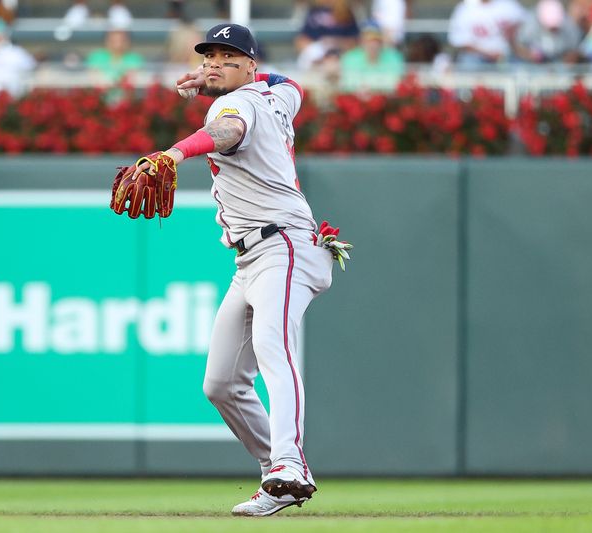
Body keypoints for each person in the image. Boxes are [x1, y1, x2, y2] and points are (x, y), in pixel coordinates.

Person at [128, 23, 350, 517]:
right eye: (209, 55)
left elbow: (226, 131)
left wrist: (174, 152)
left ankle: (288, 464)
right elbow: (288, 83)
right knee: (221, 383)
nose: (213, 62)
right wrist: (215, 78)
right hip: (253, 258)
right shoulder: (278, 94)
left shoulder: (239, 104)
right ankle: (282, 476)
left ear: (249, 65)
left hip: (284, 245)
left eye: (227, 56)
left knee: (274, 345)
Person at [448, 0, 527, 69]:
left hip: (508, 55)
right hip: (477, 57)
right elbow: (461, 43)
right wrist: (489, 55)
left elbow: (527, 26)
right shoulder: (465, 9)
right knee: (469, 63)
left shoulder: (509, 4)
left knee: (522, 67)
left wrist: (514, 30)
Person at [340, 20, 405, 91]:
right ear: (361, 41)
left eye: (376, 40)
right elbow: (348, 85)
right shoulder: (350, 58)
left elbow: (396, 84)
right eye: (368, 40)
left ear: (382, 41)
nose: (372, 44)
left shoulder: (394, 57)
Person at [296, 0, 360, 69]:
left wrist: (335, 42)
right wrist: (317, 53)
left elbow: (354, 41)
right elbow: (302, 39)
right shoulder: (314, 10)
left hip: (340, 55)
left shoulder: (346, 11)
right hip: (318, 54)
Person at [514, 0, 581, 64]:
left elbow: (574, 51)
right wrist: (530, 55)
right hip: (532, 67)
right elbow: (519, 47)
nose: (552, 31)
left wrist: (568, 58)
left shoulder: (570, 28)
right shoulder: (529, 25)